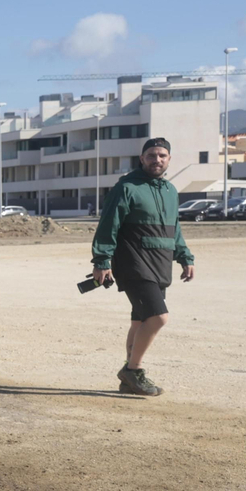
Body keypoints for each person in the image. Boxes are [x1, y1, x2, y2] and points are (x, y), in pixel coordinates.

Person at [91, 137, 194, 397]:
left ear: (169, 159)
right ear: (142, 158)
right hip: (133, 262)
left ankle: (129, 378)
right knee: (159, 317)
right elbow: (108, 226)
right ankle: (133, 371)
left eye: (162, 155)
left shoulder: (170, 190)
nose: (156, 160)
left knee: (140, 321)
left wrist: (185, 257)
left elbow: (175, 229)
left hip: (160, 263)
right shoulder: (126, 188)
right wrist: (102, 261)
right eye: (151, 155)